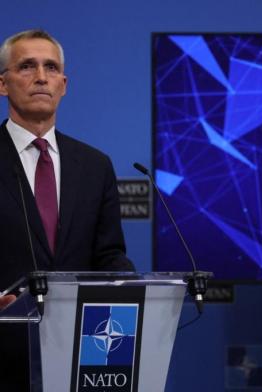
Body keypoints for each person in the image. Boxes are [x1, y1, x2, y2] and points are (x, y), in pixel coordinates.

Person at [0, 29, 135, 390]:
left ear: (64, 83)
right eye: (27, 66)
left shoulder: (95, 165)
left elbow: (109, 254)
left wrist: (135, 291)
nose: (41, 76)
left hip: (83, 355)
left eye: (51, 67)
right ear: (3, 84)